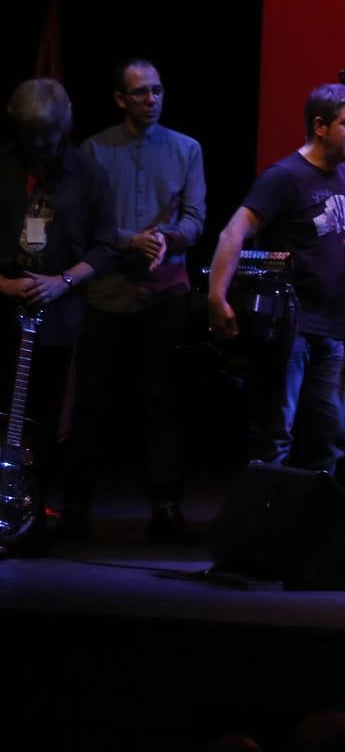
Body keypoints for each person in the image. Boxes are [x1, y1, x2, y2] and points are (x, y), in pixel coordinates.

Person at [65, 58, 206, 541]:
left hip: (164, 293)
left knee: (162, 403)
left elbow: (195, 217)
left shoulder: (187, 149)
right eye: (141, 92)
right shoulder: (94, 151)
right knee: (91, 405)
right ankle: (75, 508)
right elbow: (82, 225)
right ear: (121, 99)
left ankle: (166, 508)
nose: (152, 100)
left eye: (158, 91)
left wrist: (168, 238)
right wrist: (130, 241)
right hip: (106, 294)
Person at [206, 82, 345, 472]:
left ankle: (318, 529)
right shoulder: (285, 176)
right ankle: (262, 526)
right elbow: (233, 233)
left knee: (330, 440)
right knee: (275, 435)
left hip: (330, 334)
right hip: (290, 332)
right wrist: (217, 297)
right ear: (320, 126)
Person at [0, 79, 100, 553]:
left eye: (51, 134)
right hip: (4, 305)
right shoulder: (1, 167)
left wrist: (63, 282)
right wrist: (4, 285)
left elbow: (107, 246)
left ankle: (30, 516)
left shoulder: (85, 169)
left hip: (57, 318)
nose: (43, 145)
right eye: (33, 135)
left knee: (41, 421)